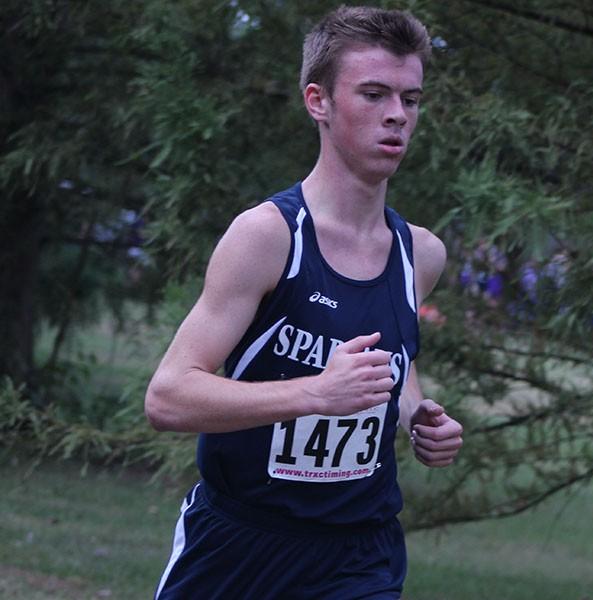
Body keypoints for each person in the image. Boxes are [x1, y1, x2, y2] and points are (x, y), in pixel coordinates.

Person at [145, 7, 463, 599]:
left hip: (359, 556)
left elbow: (395, 362)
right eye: (373, 94)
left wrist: (415, 414)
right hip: (238, 548)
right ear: (318, 101)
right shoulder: (267, 237)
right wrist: (315, 394)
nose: (396, 115)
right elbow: (168, 395)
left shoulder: (421, 254)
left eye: (411, 99)